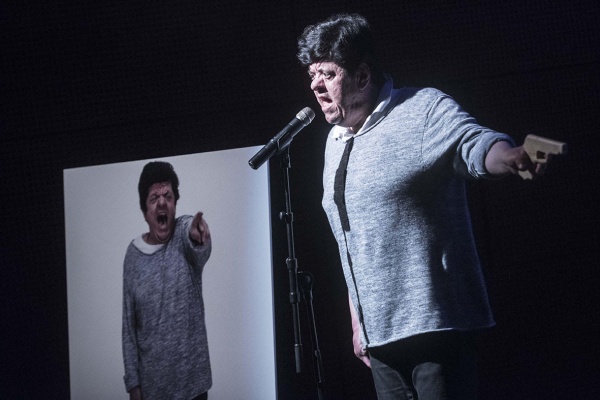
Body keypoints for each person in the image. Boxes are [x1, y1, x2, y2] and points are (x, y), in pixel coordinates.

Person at [297, 13, 550, 400]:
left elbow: (473, 144)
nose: (315, 85)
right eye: (312, 74)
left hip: (436, 326)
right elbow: (349, 239)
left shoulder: (421, 109)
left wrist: (510, 155)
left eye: (327, 74)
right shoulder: (335, 142)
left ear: (363, 76)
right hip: (380, 337)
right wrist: (357, 322)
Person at [122, 161, 212, 400]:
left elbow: (196, 241)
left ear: (174, 204)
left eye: (168, 196)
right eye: (154, 198)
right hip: (153, 391)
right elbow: (128, 327)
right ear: (144, 210)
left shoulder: (184, 233)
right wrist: (133, 384)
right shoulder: (133, 255)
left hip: (193, 388)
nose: (162, 202)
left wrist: (198, 236)